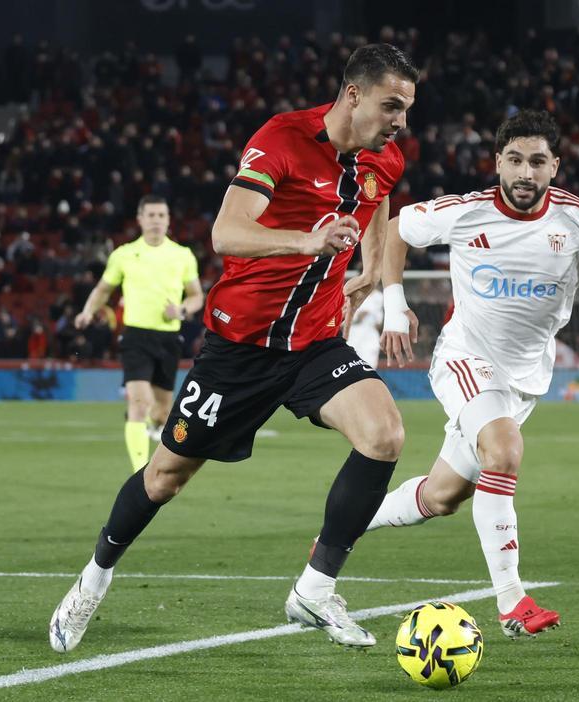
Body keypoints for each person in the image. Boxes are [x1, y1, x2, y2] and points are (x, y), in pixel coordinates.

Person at [50, 43, 418, 652]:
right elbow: (227, 232)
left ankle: (315, 591)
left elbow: (378, 206)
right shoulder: (282, 139)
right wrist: (310, 241)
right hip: (239, 348)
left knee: (385, 436)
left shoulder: (387, 158)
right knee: (165, 476)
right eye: (391, 105)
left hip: (315, 343)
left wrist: (370, 270)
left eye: (406, 107)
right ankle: (92, 581)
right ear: (353, 94)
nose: (400, 120)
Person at [367, 110, 579, 638]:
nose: (525, 173)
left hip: (523, 381)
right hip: (465, 359)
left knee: (443, 496)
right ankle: (512, 602)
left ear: (555, 166)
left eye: (537, 162)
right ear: (498, 162)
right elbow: (397, 228)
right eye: (515, 160)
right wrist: (394, 303)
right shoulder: (466, 213)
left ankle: (350, 523)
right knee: (505, 450)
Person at [75, 195, 204, 471]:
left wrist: (181, 310)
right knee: (139, 401)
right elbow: (103, 290)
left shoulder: (182, 256)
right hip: (135, 336)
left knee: (161, 412)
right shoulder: (123, 254)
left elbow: (196, 297)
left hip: (168, 338)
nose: (156, 220)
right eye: (151, 215)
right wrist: (87, 312)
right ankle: (139, 473)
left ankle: (149, 425)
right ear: (140, 219)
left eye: (161, 215)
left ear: (168, 220)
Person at [347, 286, 384, 368]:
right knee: (352, 365)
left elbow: (379, 323)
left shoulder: (379, 297)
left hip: (370, 336)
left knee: (370, 366)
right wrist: (358, 317)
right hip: (354, 334)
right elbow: (343, 320)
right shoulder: (353, 294)